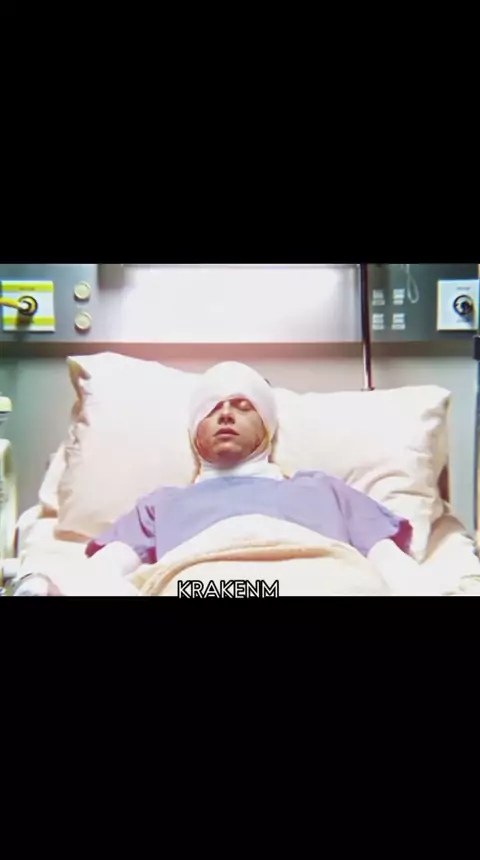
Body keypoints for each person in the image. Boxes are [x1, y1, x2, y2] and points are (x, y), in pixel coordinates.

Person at [14, 361, 418, 596]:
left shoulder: (325, 490)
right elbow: (102, 575)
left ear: (268, 425)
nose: (226, 414)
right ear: (195, 431)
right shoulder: (162, 505)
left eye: (242, 405)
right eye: (212, 408)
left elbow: (394, 566)